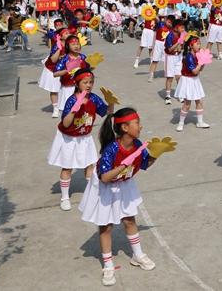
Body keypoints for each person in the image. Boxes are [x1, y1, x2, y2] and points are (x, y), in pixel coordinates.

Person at [79, 107, 156, 286]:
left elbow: (144, 164)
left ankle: (137, 255)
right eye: (137, 123)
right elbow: (105, 178)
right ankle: (108, 265)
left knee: (130, 220)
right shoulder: (111, 149)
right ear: (125, 128)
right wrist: (123, 166)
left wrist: (156, 155)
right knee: (106, 227)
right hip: (105, 188)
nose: (141, 126)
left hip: (123, 185)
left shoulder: (137, 145)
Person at [47, 68, 113, 210]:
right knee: (67, 167)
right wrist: (74, 110)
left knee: (89, 165)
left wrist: (111, 103)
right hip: (69, 138)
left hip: (84, 137)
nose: (88, 85)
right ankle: (65, 197)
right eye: (85, 82)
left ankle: (91, 194)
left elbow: (107, 112)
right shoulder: (71, 100)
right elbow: (65, 123)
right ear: (77, 84)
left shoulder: (94, 98)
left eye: (91, 82)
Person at [175, 35, 208, 131]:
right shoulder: (189, 57)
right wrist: (201, 62)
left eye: (200, 44)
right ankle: (181, 123)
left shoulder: (197, 55)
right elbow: (194, 71)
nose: (199, 46)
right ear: (191, 45)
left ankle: (200, 122)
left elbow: (200, 69)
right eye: (197, 44)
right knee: (187, 104)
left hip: (195, 80)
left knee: (200, 101)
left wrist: (203, 61)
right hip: (188, 80)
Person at [39, 27, 71, 118]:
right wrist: (59, 49)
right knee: (54, 89)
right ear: (60, 37)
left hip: (64, 69)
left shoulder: (71, 45)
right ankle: (55, 109)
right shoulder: (57, 45)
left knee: (66, 88)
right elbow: (53, 60)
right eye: (66, 33)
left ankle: (67, 105)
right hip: (53, 69)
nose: (69, 35)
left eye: (69, 33)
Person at [53, 36, 89, 109]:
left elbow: (88, 71)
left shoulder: (83, 57)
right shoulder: (65, 59)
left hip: (81, 88)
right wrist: (67, 70)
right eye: (73, 44)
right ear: (67, 46)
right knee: (68, 112)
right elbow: (55, 74)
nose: (76, 46)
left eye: (78, 44)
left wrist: (93, 65)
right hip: (68, 89)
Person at [163, 20, 186, 105]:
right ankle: (168, 96)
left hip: (178, 56)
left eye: (184, 27)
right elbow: (169, 49)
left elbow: (182, 48)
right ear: (176, 28)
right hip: (170, 57)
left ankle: (180, 94)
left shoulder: (181, 35)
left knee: (179, 77)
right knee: (170, 77)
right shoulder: (170, 35)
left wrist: (183, 42)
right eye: (181, 28)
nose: (183, 29)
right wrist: (178, 42)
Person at [148, 15, 172, 83]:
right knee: (155, 60)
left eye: (171, 23)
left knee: (168, 60)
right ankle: (151, 75)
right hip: (158, 44)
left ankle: (168, 74)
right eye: (168, 22)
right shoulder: (160, 24)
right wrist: (157, 9)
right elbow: (156, 17)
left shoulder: (172, 29)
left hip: (166, 44)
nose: (169, 24)